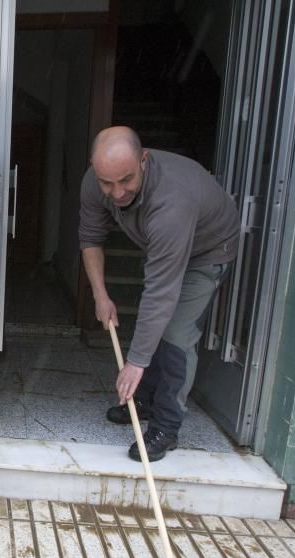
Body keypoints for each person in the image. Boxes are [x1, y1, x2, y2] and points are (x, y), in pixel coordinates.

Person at [79, 126, 239, 462]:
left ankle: (167, 426)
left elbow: (161, 292)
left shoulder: (172, 201)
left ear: (144, 161)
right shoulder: (96, 182)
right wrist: (100, 294)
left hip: (207, 252)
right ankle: (145, 402)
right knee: (154, 323)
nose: (117, 192)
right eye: (107, 183)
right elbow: (91, 237)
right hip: (166, 245)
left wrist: (135, 364)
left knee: (176, 332)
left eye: (126, 180)